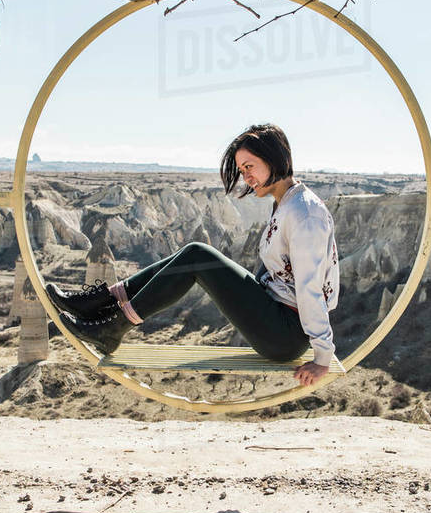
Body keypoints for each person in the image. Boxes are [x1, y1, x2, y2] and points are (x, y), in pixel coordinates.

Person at [50, 123, 340, 387]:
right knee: (193, 254)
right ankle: (99, 304)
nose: (246, 177)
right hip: (276, 312)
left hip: (285, 334)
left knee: (197, 257)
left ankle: (112, 327)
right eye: (242, 170)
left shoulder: (305, 213)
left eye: (250, 166)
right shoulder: (286, 203)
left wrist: (322, 358)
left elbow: (310, 287)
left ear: (275, 158)